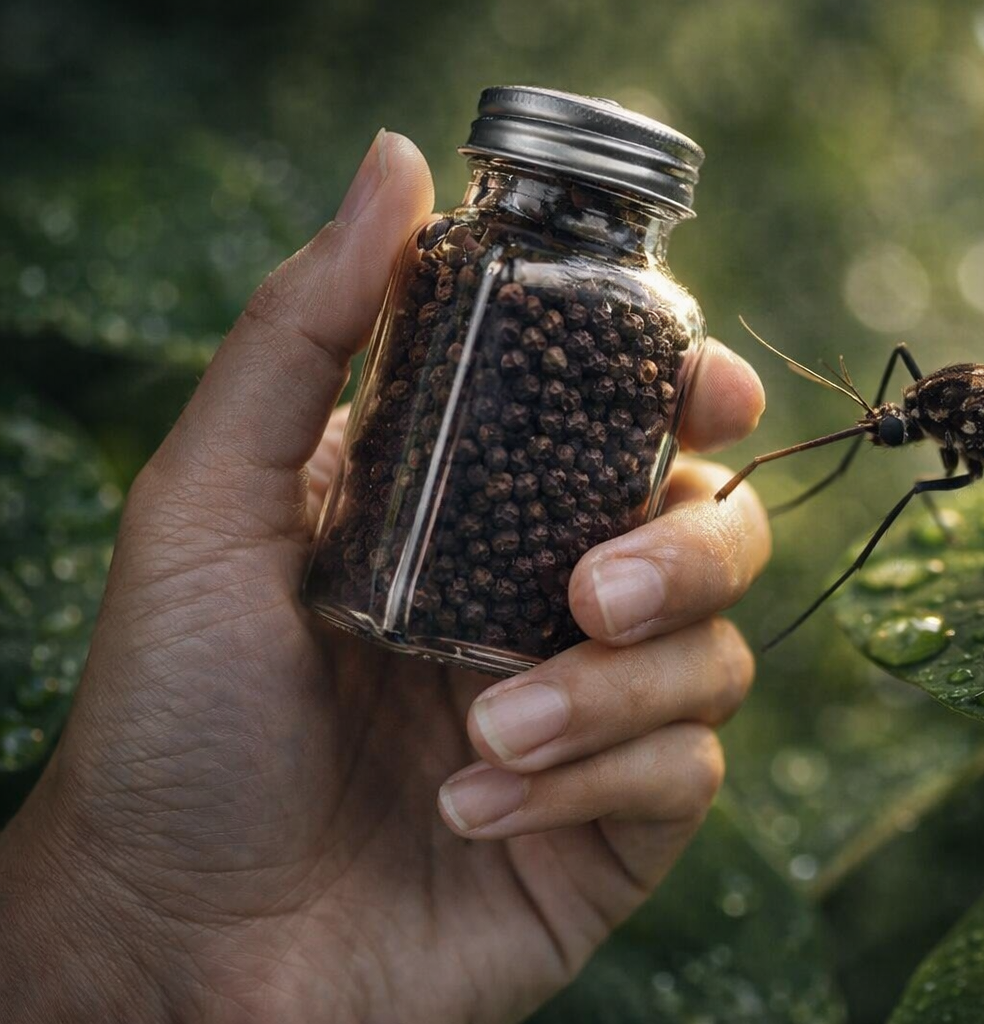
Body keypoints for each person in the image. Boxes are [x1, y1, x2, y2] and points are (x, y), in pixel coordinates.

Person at [0, 131, 770, 1022]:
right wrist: (131, 917)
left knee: (654, 553)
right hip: (366, 603)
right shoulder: (456, 255)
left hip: (432, 661)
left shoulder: (649, 314)